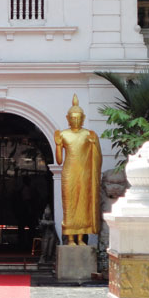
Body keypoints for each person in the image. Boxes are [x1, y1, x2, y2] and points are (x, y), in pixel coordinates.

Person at [54, 94, 102, 245]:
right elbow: (59, 160)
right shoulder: (63, 134)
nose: (75, 120)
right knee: (69, 204)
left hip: (84, 173)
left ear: (83, 117)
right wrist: (57, 145)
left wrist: (94, 144)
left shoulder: (88, 134)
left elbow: (97, 157)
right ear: (67, 118)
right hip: (69, 172)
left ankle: (81, 238)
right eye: (73, 118)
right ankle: (70, 238)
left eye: (78, 117)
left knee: (83, 203)